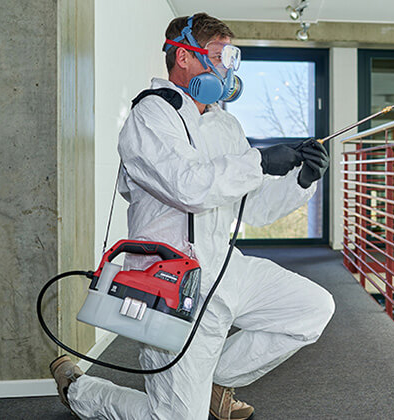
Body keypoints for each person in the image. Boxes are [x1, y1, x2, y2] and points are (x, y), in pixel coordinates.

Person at [49, 13, 335, 420]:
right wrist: (259, 160)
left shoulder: (225, 124)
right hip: (171, 281)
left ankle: (212, 381)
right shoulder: (150, 116)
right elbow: (189, 187)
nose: (226, 69)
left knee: (311, 308)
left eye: (231, 59)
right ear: (183, 56)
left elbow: (252, 207)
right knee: (178, 418)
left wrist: (301, 181)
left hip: (224, 268)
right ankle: (80, 389)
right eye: (218, 56)